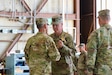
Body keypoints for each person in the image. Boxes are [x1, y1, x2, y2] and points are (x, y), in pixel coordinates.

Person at [86, 9, 112, 75]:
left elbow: (91, 52)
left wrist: (89, 69)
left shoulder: (97, 33)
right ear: (109, 19)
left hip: (101, 70)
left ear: (99, 19)